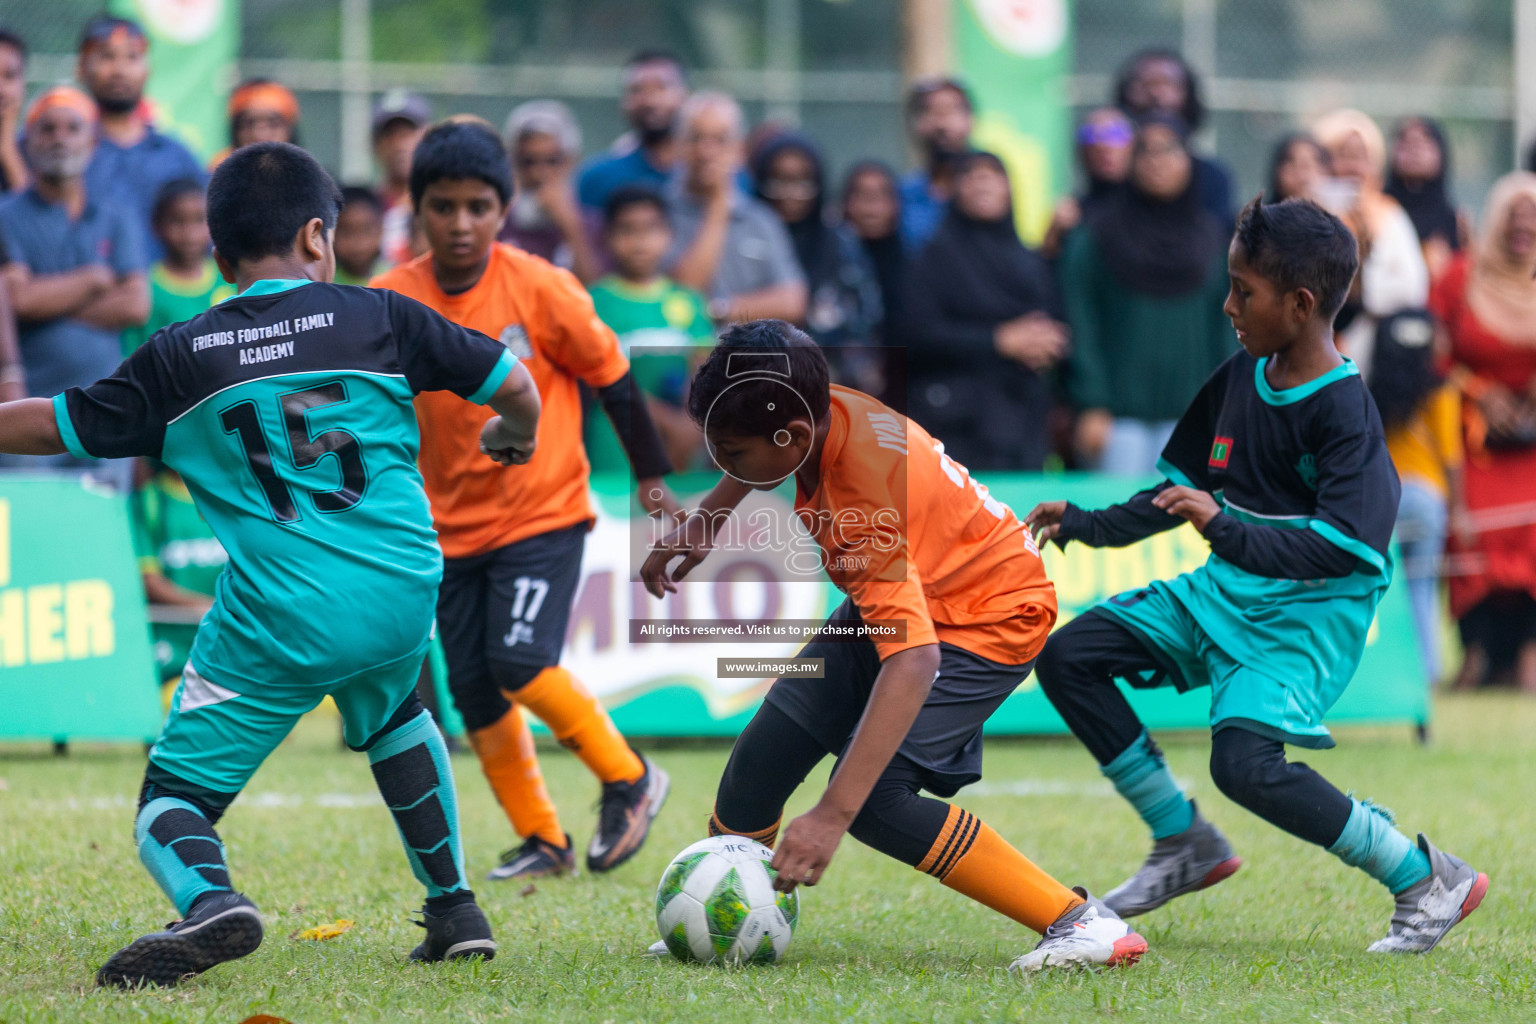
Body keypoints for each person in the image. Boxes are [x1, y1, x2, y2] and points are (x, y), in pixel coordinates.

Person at [0, 140, 543, 985]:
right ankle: (455, 909)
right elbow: (516, 386)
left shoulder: (184, 355)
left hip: (282, 617)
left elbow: (50, 423)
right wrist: (516, 437)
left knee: (170, 803)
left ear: (220, 258)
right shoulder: (381, 316)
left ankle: (213, 903)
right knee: (398, 712)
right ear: (320, 235)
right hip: (404, 591)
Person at [1027, 197, 1488, 954]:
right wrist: (1086, 524)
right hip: (1225, 591)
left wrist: (1227, 529)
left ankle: (1422, 876)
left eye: (1244, 290)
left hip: (1305, 621)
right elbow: (1176, 496)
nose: (1228, 303)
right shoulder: (1240, 374)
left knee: (1244, 765)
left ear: (1301, 305)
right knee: (1071, 657)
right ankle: (1184, 842)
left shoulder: (1347, 413)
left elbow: (1345, 551)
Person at [640, 321, 1148, 973]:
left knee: (875, 804)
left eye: (729, 454)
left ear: (790, 437)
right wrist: (706, 519)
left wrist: (830, 815)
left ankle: (1082, 924)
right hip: (918, 590)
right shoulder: (814, 402)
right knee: (761, 761)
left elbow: (914, 660)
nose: (721, 465)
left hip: (986, 616)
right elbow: (767, 445)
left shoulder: (857, 505)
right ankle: (732, 911)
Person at [371, 121, 676, 881]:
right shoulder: (388, 301)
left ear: (504, 210)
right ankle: (544, 839)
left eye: (479, 206)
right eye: (444, 207)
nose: (462, 223)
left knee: (517, 660)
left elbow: (612, 376)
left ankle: (630, 776)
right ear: (418, 210)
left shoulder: (541, 287)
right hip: (445, 530)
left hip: (543, 513)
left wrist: (650, 476)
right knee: (473, 688)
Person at [1062, 116, 1232, 476]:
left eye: (1170, 149)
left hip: (1196, 419)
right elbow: (1080, 322)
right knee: (1114, 526)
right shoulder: (1096, 238)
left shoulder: (1214, 241)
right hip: (1116, 421)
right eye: (1145, 151)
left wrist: (1227, 408)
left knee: (1187, 529)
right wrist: (1092, 404)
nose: (1157, 160)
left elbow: (1230, 328)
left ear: (1190, 160)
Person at [0, 87, 147, 494]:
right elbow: (14, 301)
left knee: (98, 532)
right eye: (47, 129)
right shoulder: (5, 216)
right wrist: (92, 281)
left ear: (93, 142)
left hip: (105, 406)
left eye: (72, 128)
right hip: (25, 409)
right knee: (31, 532)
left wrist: (45, 300)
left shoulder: (116, 215)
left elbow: (136, 304)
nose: (59, 138)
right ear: (26, 142)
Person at [1433, 172, 1536, 693]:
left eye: (1532, 216)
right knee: (1470, 532)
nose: (1524, 226)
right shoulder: (1459, 277)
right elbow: (1433, 353)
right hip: (1473, 442)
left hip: (1533, 445)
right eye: (1513, 215)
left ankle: (1527, 656)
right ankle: (1474, 652)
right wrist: (1479, 392)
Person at [903, 152, 1066, 471]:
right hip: (956, 423)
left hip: (1023, 422)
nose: (983, 182)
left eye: (993, 174)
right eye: (971, 174)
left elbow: (1052, 319)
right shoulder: (932, 258)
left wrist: (1046, 344)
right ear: (954, 189)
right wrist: (998, 340)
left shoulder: (1029, 260)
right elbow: (916, 334)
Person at [587, 186, 715, 475]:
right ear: (607, 237)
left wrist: (689, 425)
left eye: (651, 228)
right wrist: (669, 422)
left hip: (680, 451)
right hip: (615, 448)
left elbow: (705, 368)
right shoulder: (592, 303)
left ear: (669, 235)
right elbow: (598, 382)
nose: (639, 240)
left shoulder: (689, 302)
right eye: (626, 230)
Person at [1368, 309, 1464, 690]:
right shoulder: (1441, 389)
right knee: (1423, 585)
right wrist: (1460, 510)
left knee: (1385, 588)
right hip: (1427, 499)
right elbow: (1452, 455)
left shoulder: (1372, 388)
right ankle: (1427, 673)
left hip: (1385, 497)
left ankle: (1385, 673)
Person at [666, 92, 806, 325]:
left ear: (740, 151)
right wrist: (718, 205)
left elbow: (792, 301)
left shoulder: (761, 220)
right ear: (677, 146)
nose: (706, 152)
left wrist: (719, 310)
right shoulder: (657, 213)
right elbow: (683, 293)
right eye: (695, 138)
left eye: (720, 140)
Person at [1312, 108, 1429, 380]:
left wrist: (1364, 292)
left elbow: (1413, 286)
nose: (1353, 166)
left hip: (1378, 352)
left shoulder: (1390, 213)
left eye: (1361, 157)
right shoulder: (1308, 208)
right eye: (1343, 155)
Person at [77, 15, 204, 264]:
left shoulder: (177, 157)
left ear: (148, 68)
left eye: (132, 57)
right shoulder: (63, 152)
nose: (119, 70)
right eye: (106, 56)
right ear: (82, 67)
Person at [752, 132, 880, 351]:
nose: (790, 193)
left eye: (801, 182)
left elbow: (863, 317)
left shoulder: (840, 243)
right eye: (779, 180)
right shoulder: (747, 240)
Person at [1114, 48, 1234, 225]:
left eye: (1167, 83)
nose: (1155, 94)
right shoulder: (1112, 174)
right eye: (1144, 84)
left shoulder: (1213, 179)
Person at [123, 179, 234, 353]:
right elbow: (131, 356)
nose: (189, 235)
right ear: (156, 225)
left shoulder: (231, 277)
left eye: (199, 220)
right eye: (177, 221)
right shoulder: (146, 289)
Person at [499, 100, 603, 283]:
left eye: (552, 161)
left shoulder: (593, 225)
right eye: (528, 161)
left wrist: (571, 229)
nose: (539, 173)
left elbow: (597, 293)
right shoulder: (498, 224)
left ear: (570, 161)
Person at [578, 51, 689, 211]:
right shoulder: (597, 178)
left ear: (685, 95)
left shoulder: (708, 178)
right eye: (637, 90)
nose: (650, 101)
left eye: (661, 88)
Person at [1042, 107, 1134, 260]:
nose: (1104, 145)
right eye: (1091, 136)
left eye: (1115, 134)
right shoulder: (1072, 214)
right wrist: (1054, 233)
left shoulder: (1154, 206)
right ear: (1081, 151)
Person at [899, 77, 974, 253]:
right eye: (931, 112)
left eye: (952, 111)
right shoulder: (903, 195)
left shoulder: (990, 185)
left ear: (970, 120)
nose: (942, 124)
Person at [1385, 117, 1465, 279]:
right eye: (1405, 143)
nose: (1414, 150)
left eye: (1424, 143)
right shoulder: (1379, 210)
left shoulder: (1456, 220)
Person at [840, 161, 905, 348]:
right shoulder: (828, 259)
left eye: (881, 195)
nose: (872, 205)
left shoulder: (916, 262)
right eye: (862, 195)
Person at [372, 90, 431, 266]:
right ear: (375, 143)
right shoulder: (363, 210)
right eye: (389, 134)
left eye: (407, 133)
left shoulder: (440, 205)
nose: (399, 144)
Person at [209, 79, 301, 169]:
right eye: (248, 123)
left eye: (273, 124)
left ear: (289, 129)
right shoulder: (219, 171)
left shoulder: (304, 174)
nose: (259, 134)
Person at [333, 186, 385, 286]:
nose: (357, 243)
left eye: (366, 230)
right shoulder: (326, 282)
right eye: (346, 232)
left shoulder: (393, 278)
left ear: (381, 229)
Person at [0, 28, 28, 195]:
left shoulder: (40, 146)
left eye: (9, 76)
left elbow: (33, 216)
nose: (1, 89)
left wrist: (7, 147)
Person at [1266, 132, 1328, 204]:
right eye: (1291, 163)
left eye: (1306, 166)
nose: (1301, 175)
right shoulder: (1262, 213)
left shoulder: (1336, 210)